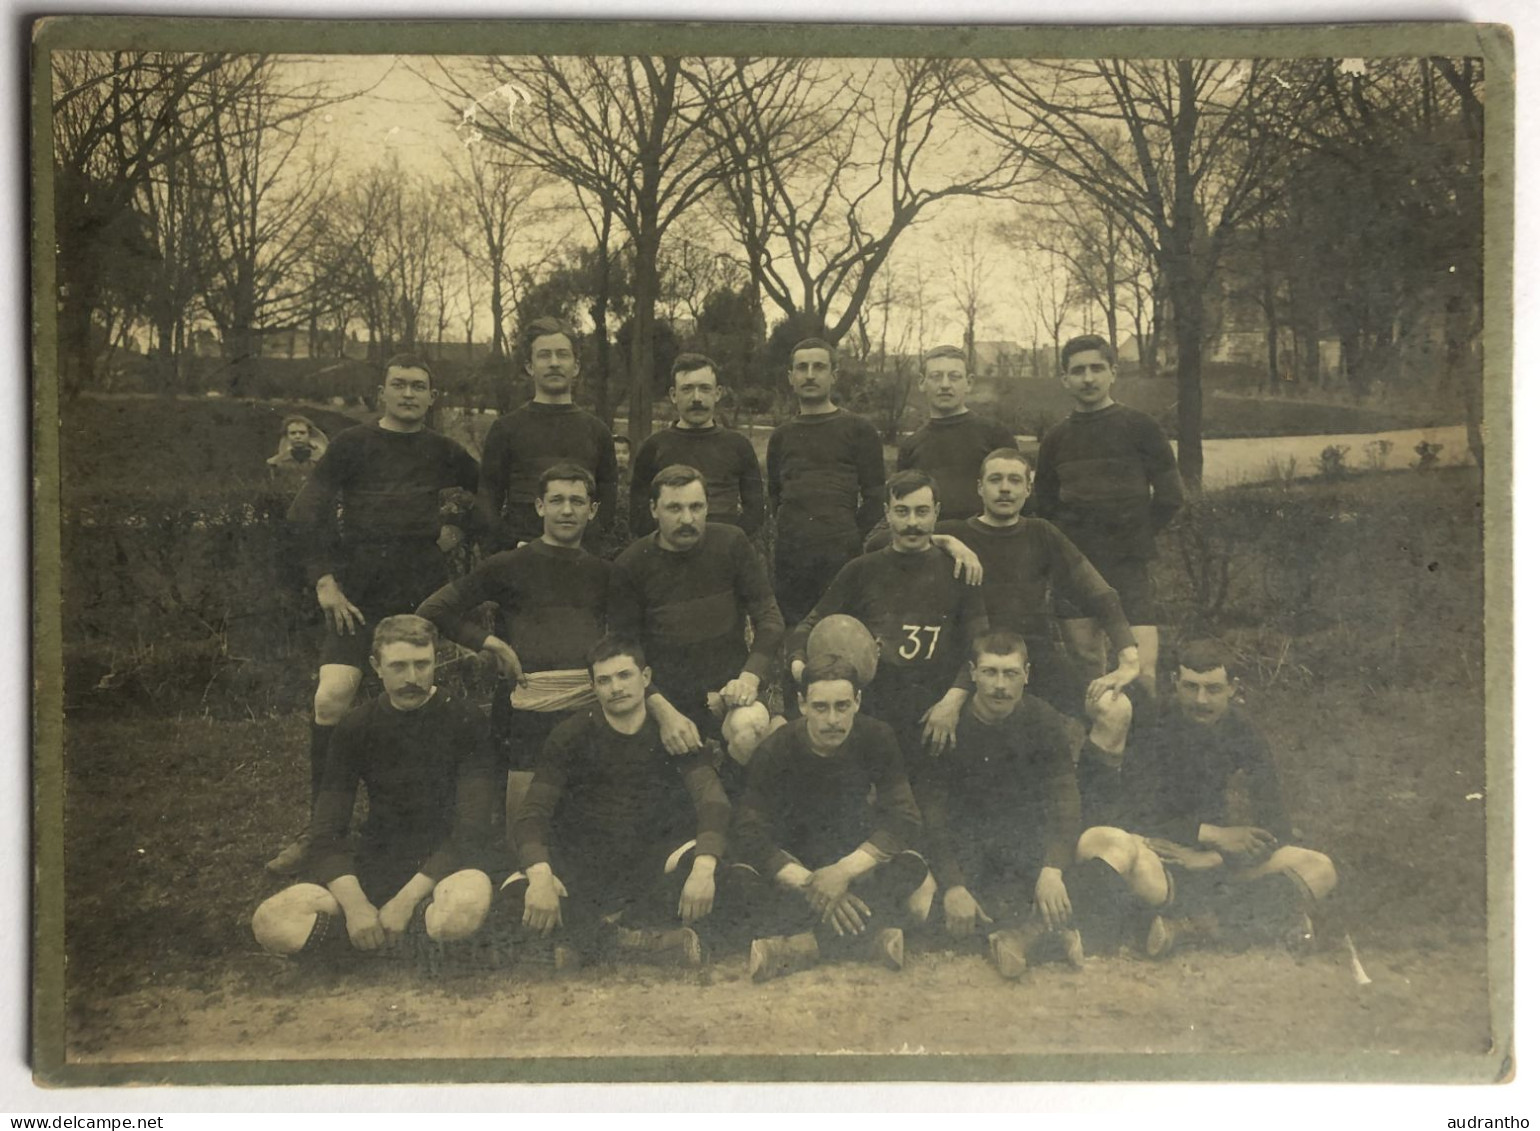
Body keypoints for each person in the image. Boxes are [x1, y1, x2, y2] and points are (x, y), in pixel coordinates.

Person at [267, 355, 479, 876]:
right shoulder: (351, 446)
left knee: (431, 703)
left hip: (422, 595)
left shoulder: (443, 450)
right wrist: (324, 581)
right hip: (358, 597)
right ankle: (320, 833)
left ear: (433, 396)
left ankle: (443, 829)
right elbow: (303, 513)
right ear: (381, 392)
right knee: (331, 698)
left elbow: (489, 497)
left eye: (419, 387)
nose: (408, 395)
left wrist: (455, 527)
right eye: (399, 385)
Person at [416, 463, 701, 810]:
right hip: (527, 712)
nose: (567, 510)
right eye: (557, 500)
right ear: (540, 506)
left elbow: (629, 644)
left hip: (590, 710)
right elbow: (433, 609)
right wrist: (491, 644)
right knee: (523, 824)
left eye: (578, 501)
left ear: (592, 510)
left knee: (590, 816)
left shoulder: (606, 573)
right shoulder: (507, 565)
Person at [251, 616, 497, 966]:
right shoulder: (355, 726)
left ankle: (377, 944)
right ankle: (389, 940)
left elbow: (471, 829)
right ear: (375, 667)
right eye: (398, 666)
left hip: (446, 868)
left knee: (462, 909)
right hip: (379, 863)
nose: (411, 678)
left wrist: (406, 901)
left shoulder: (465, 719)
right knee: (271, 922)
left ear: (435, 661)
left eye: (422, 664)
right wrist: (356, 907)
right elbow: (326, 833)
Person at [1075, 637, 1338, 956]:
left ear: (1233, 687)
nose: (1200, 700)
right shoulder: (1153, 723)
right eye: (1191, 687)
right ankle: (1246, 922)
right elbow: (1134, 809)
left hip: (1217, 861)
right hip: (1163, 855)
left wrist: (1212, 855)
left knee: (1319, 867)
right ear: (1175, 683)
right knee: (1119, 849)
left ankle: (1194, 927)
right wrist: (1209, 836)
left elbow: (1275, 822)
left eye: (1213, 689)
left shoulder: (1243, 731)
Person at [494, 636, 734, 967]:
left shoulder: (673, 732)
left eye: (624, 675)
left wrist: (704, 869)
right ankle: (636, 942)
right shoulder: (570, 734)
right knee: (513, 895)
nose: (615, 687)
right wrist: (538, 877)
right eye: (604, 680)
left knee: (718, 868)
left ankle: (591, 941)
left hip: (653, 864)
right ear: (593, 686)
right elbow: (532, 813)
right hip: (586, 865)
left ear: (645, 678)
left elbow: (713, 801)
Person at [913, 631, 1135, 979]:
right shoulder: (947, 725)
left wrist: (1052, 869)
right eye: (990, 672)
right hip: (968, 847)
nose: (1000, 685)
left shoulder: (1043, 720)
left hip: (1025, 844)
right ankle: (1041, 934)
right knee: (924, 907)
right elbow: (933, 813)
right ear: (972, 672)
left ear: (1027, 675)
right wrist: (954, 885)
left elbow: (1065, 798)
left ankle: (1018, 936)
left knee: (1097, 885)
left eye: (1010, 673)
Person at [732, 655, 928, 981]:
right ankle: (867, 940)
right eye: (821, 707)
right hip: (797, 871)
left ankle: (802, 946)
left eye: (842, 706)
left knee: (911, 866)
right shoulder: (776, 749)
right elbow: (749, 831)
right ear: (802, 704)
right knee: (741, 881)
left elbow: (904, 817)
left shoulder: (877, 736)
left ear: (858, 702)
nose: (833, 719)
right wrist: (814, 885)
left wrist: (842, 873)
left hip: (852, 863)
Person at [786, 470, 989, 769]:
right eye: (901, 511)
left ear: (937, 513)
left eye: (921, 512)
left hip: (936, 704)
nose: (912, 523)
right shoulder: (862, 569)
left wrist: (952, 702)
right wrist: (799, 663)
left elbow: (980, 644)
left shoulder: (958, 569)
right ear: (887, 513)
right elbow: (809, 623)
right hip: (875, 704)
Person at [608, 464, 786, 785]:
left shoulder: (731, 543)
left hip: (728, 692)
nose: (687, 519)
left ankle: (740, 800)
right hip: (664, 699)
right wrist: (663, 712)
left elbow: (769, 618)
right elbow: (624, 653)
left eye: (696, 507)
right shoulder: (631, 564)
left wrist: (749, 676)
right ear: (653, 509)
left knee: (751, 728)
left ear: (707, 506)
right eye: (674, 508)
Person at [1033, 334, 1184, 695]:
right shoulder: (1055, 438)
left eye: (1097, 368)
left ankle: (1145, 745)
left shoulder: (1141, 428)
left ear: (1113, 372)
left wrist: (1135, 535)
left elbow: (1170, 496)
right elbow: (1045, 507)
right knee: (1089, 667)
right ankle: (1100, 743)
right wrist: (1066, 551)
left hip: (1128, 565)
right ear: (1064, 379)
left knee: (1142, 670)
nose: (1088, 378)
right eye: (1078, 370)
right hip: (1075, 570)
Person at [939, 447, 1140, 715]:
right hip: (970, 661)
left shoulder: (1041, 533)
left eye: (1015, 480)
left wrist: (1128, 656)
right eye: (995, 479)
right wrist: (944, 541)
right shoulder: (956, 532)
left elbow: (1096, 590)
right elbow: (881, 541)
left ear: (1028, 489)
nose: (1005, 489)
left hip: (1035, 657)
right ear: (980, 487)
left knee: (1112, 709)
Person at [765, 337, 887, 629]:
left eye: (818, 367)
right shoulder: (781, 436)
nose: (809, 375)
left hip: (842, 557)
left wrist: (848, 537)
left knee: (839, 635)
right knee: (795, 636)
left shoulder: (859, 430)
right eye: (802, 367)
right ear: (790, 377)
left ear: (833, 376)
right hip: (792, 558)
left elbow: (875, 498)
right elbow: (775, 495)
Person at [476, 316, 619, 553]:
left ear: (576, 366)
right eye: (544, 355)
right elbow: (487, 497)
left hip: (579, 558)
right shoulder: (506, 428)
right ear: (530, 366)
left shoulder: (597, 431)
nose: (554, 363)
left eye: (562, 354)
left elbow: (606, 503)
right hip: (521, 556)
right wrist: (510, 547)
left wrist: (587, 547)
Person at [629, 353, 764, 539]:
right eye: (687, 389)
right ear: (673, 395)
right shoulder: (653, 446)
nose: (697, 398)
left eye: (705, 388)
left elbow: (755, 510)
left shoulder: (738, 445)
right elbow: (639, 512)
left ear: (717, 393)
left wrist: (730, 541)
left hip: (723, 551)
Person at [892, 344, 1019, 524]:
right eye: (936, 377)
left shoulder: (995, 434)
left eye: (954, 377)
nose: (945, 385)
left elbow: (1018, 496)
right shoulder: (911, 445)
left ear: (969, 383)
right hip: (930, 542)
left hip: (987, 539)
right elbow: (903, 501)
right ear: (922, 382)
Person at [266, 414, 329, 492]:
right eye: (293, 433)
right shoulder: (276, 463)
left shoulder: (322, 462)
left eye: (302, 433)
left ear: (309, 435)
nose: (297, 436)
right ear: (287, 436)